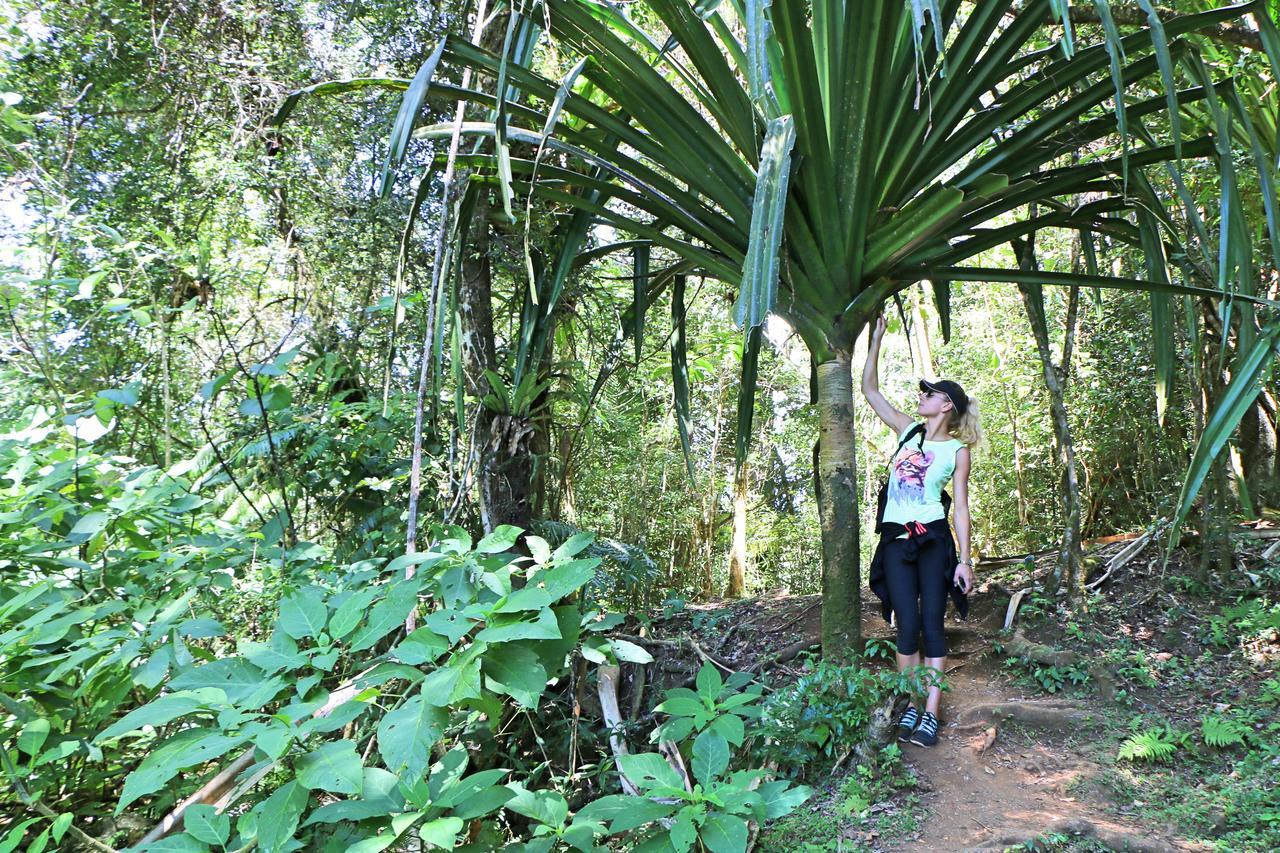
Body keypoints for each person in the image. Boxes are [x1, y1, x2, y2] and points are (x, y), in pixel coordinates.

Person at [861, 311, 983, 747]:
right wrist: (875, 339)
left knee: (933, 622)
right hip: (895, 539)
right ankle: (910, 705)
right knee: (905, 623)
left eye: (930, 393)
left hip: (933, 538)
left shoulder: (957, 450)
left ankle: (930, 713)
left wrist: (966, 561)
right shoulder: (906, 430)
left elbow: (962, 507)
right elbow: (870, 391)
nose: (923, 397)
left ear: (946, 404)